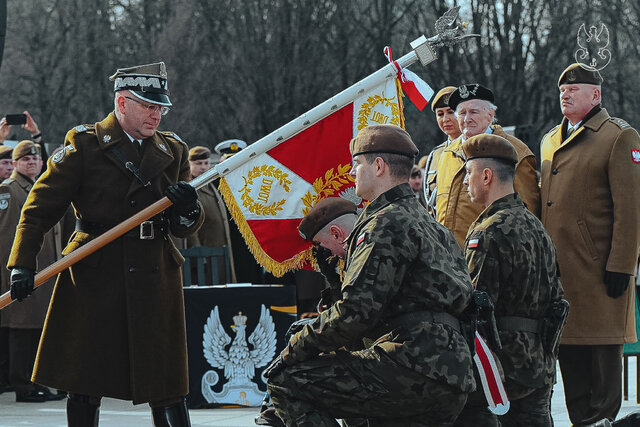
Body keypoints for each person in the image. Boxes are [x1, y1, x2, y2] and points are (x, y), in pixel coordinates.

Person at [7, 62, 204, 427]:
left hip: (154, 271)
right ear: (122, 102)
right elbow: (38, 209)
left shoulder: (174, 149)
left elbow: (182, 229)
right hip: (95, 270)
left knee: (166, 383)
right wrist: (22, 263)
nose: (156, 114)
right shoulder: (85, 144)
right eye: (148, 105)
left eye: (161, 107)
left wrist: (188, 207)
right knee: (84, 380)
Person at [264, 124, 475, 426]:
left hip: (410, 366)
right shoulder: (431, 224)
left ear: (378, 166)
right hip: (452, 373)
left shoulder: (383, 224)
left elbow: (355, 312)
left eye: (357, 164)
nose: (352, 173)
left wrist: (293, 348)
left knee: (285, 381)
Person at [540, 63, 640, 426]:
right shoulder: (551, 139)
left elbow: (630, 209)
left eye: (574, 89)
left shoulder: (618, 137)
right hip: (561, 275)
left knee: (602, 368)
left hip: (600, 273)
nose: (565, 95)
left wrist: (622, 265)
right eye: (561, 90)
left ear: (595, 95)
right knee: (572, 367)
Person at [454, 134, 565, 426]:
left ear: (486, 176)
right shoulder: (536, 226)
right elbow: (556, 295)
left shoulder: (488, 232)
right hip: (539, 361)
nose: (466, 181)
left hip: (502, 369)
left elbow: (474, 307)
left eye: (468, 173)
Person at [0, 141, 67, 403]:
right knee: (21, 327)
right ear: (15, 163)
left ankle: (35, 382)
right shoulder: (9, 190)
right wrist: (13, 270)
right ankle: (22, 385)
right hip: (21, 270)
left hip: (43, 269)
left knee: (36, 326)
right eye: (25, 159)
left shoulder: (39, 187)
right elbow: (6, 237)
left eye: (35, 159)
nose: (31, 163)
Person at [435, 84, 540, 247]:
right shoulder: (447, 154)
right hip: (447, 261)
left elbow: (529, 216)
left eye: (474, 112)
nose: (467, 119)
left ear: (490, 115)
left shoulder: (516, 152)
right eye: (462, 113)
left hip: (490, 257)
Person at [186, 145, 236, 283]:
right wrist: (198, 257)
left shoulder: (211, 185)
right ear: (189, 164)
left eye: (206, 163)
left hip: (222, 252)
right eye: (198, 163)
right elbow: (191, 227)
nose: (203, 167)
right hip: (206, 258)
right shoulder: (191, 190)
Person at [423, 86, 461, 218]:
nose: (445, 119)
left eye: (450, 112)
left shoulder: (476, 148)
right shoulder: (436, 155)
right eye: (440, 114)